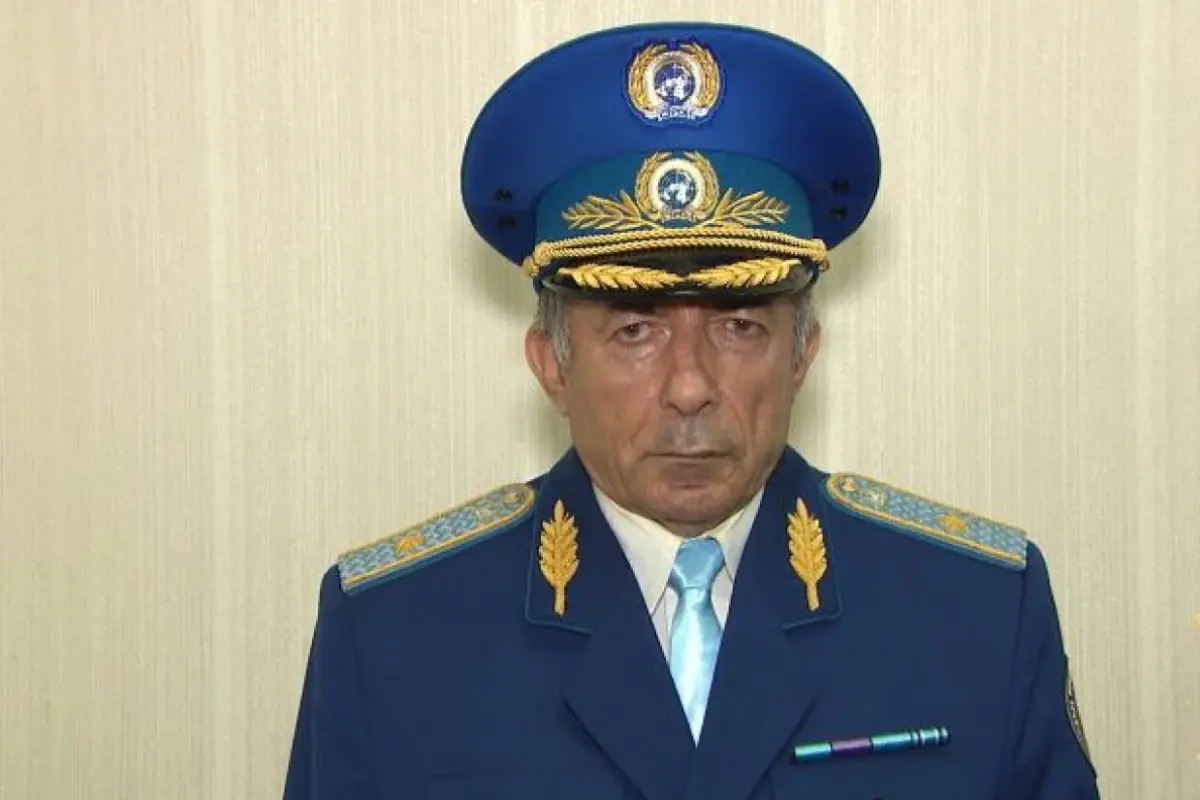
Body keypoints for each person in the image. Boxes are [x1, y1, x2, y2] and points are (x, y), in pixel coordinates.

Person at [282, 21, 1101, 799]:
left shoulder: (975, 614)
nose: (689, 386)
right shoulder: (395, 634)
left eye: (740, 326)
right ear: (551, 365)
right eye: (634, 330)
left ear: (803, 355)